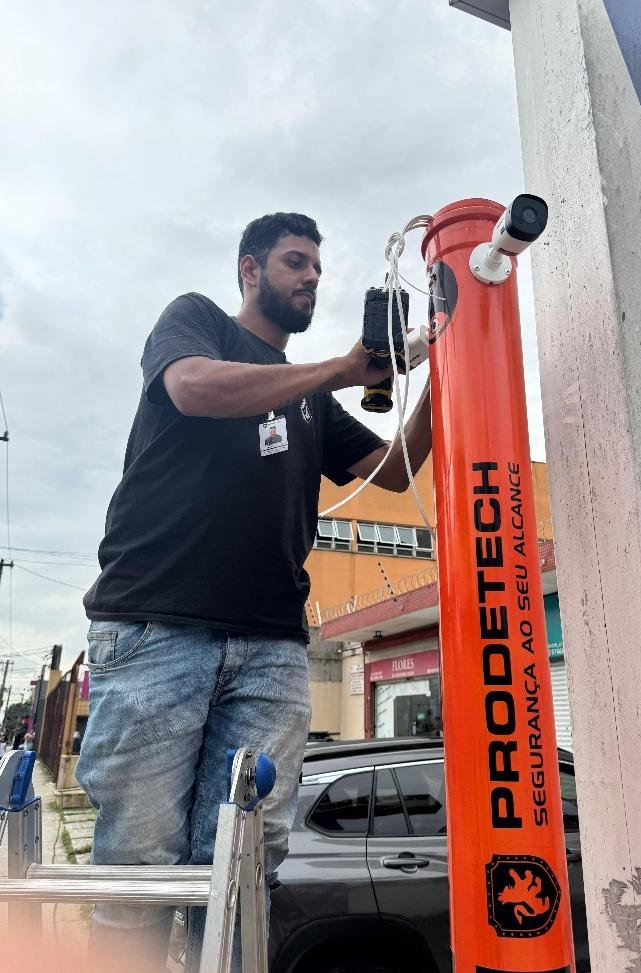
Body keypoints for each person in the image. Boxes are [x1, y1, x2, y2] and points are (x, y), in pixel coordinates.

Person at [78, 212, 432, 973]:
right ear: (249, 269)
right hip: (155, 627)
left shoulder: (309, 400)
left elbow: (395, 470)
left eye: (316, 269)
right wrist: (340, 368)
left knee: (244, 859)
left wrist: (448, 366)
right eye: (294, 262)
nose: (310, 278)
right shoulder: (197, 323)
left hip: (272, 642)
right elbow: (194, 389)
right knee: (141, 865)